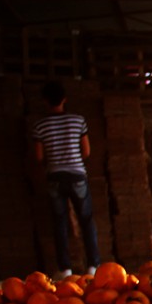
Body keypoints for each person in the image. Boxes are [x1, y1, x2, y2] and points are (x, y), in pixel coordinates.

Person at [31, 81, 100, 277]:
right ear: (64, 99)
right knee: (86, 220)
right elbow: (86, 151)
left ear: (45, 101)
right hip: (77, 175)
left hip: (54, 176)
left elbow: (38, 157)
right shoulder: (78, 121)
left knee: (60, 222)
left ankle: (65, 269)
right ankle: (93, 267)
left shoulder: (40, 126)